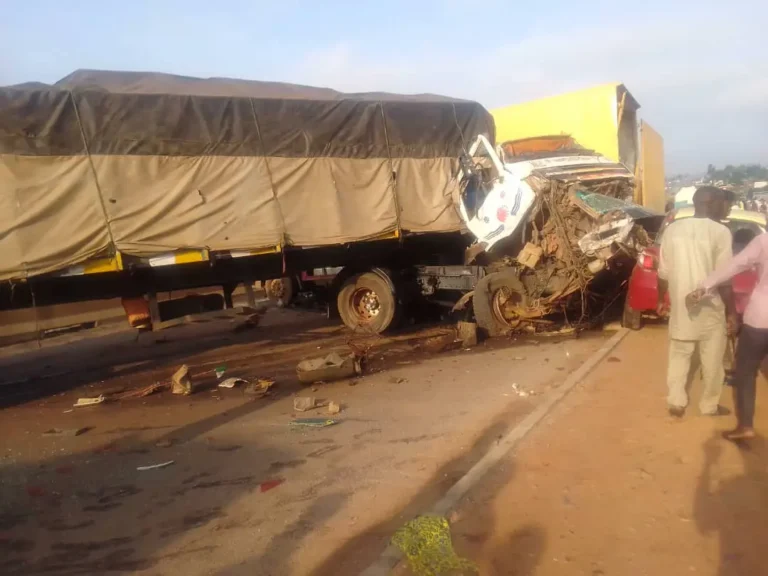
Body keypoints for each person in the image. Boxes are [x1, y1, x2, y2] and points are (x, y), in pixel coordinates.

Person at [658, 186, 737, 418]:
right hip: (710, 307)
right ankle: (709, 406)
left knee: (680, 353)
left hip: (682, 307)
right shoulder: (721, 232)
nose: (725, 206)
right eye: (723, 202)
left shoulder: (673, 230)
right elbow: (724, 278)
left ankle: (676, 400)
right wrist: (732, 312)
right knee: (712, 359)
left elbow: (663, 272)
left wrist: (661, 299)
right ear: (711, 203)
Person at [688, 227, 768, 440]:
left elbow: (736, 264)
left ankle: (746, 426)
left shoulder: (763, 241)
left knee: (745, 372)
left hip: (761, 318)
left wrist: (705, 285)